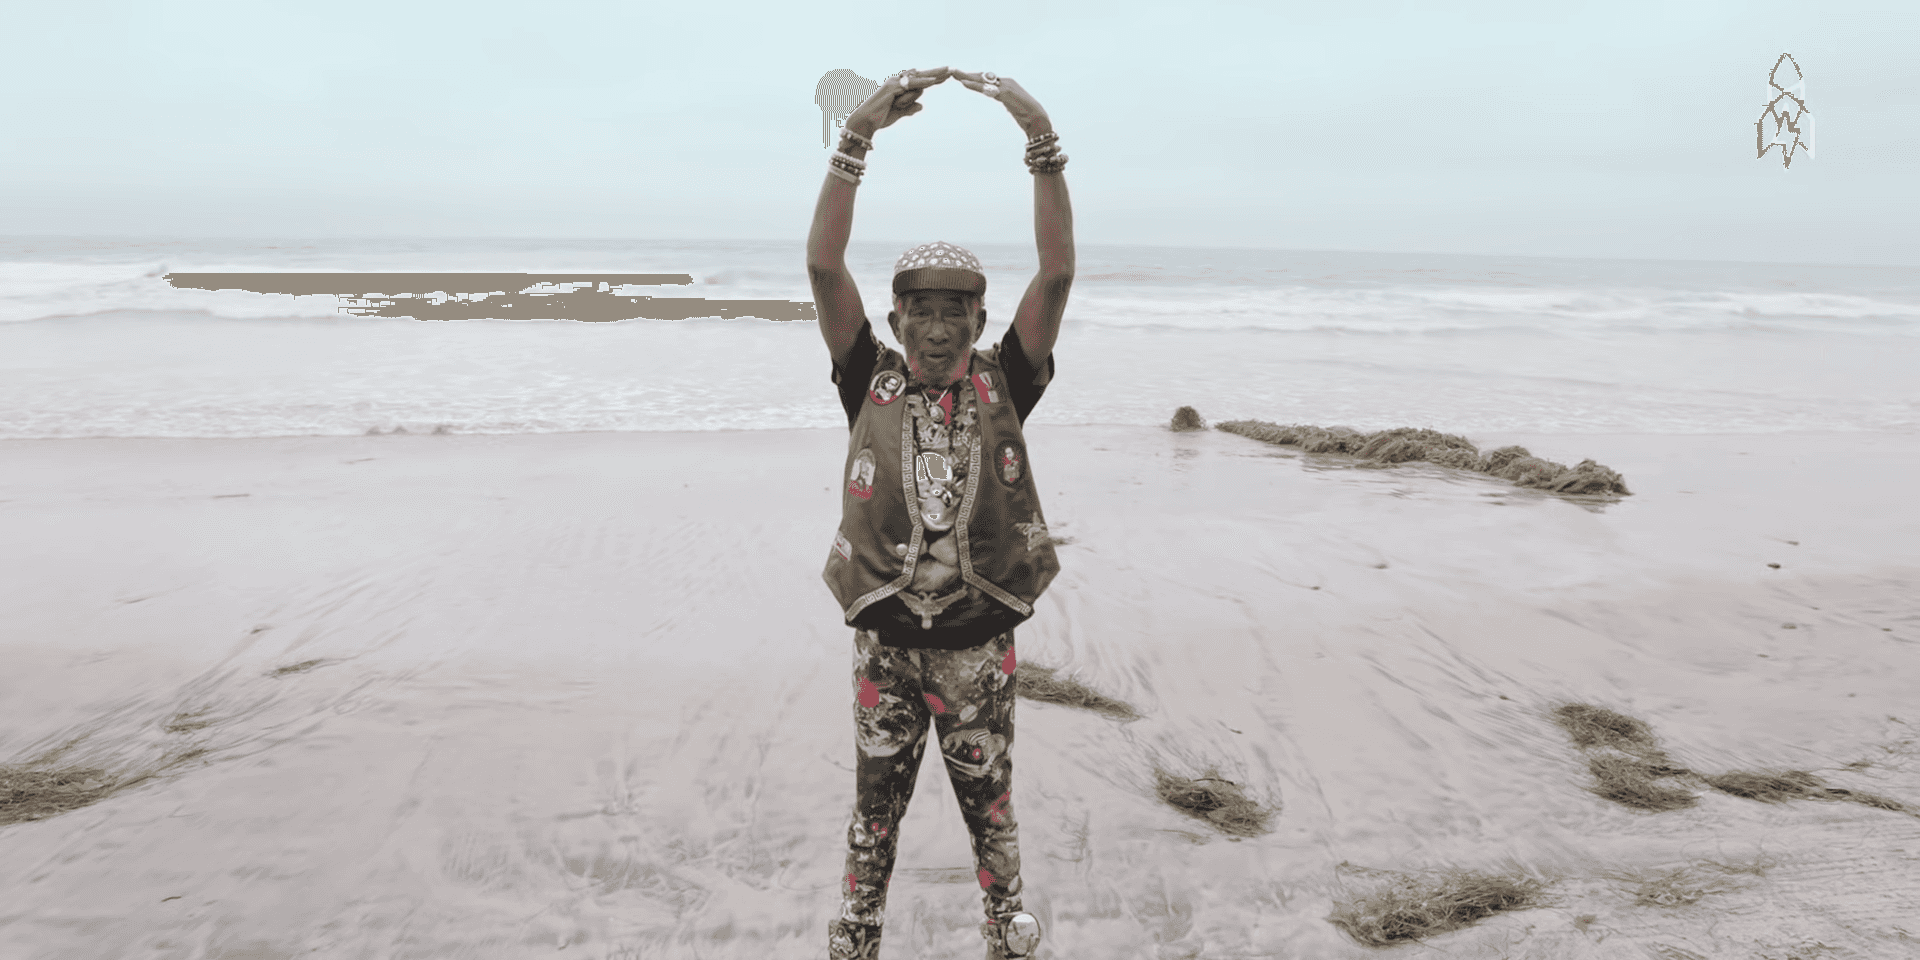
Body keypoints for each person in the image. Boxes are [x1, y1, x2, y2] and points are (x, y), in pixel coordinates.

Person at [806, 66, 1075, 960]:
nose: (934, 331)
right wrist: (858, 138)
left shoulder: (1006, 382)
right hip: (884, 637)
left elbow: (1058, 270)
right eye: (919, 313)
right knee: (873, 800)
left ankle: (1007, 928)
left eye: (954, 313)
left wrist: (1040, 144)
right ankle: (857, 929)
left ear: (978, 318)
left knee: (988, 799)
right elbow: (821, 264)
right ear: (895, 316)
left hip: (977, 645)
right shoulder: (869, 379)